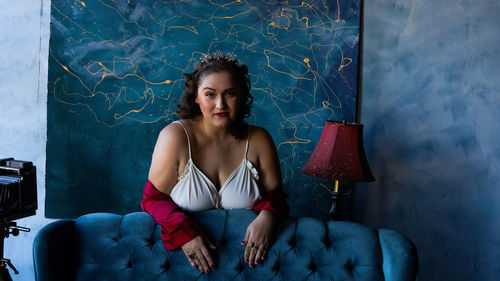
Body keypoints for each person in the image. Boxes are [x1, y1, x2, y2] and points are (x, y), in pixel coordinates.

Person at [141, 52, 288, 274]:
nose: (220, 105)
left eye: (230, 94)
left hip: (249, 271)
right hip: (184, 271)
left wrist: (268, 215)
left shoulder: (259, 139)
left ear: (242, 96)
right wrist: (184, 232)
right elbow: (152, 199)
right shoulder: (175, 137)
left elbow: (276, 197)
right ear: (196, 97)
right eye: (210, 94)